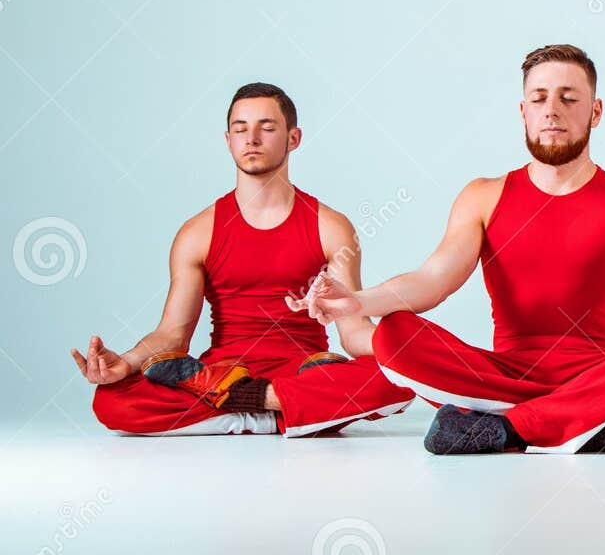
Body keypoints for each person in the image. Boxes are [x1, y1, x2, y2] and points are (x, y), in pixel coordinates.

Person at [296, 44, 605, 455]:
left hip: (602, 376)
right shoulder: (483, 195)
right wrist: (358, 301)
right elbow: (433, 279)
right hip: (506, 376)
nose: (552, 110)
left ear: (595, 111)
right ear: (523, 111)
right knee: (392, 334)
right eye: (539, 98)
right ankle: (592, 427)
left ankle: (507, 429)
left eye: (569, 98)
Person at [74, 82, 414, 436]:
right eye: (240, 129)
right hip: (221, 372)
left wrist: (401, 352)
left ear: (293, 138)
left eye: (267, 128)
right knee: (112, 400)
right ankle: (285, 412)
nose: (251, 138)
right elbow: (172, 336)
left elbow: (353, 330)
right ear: (228, 140)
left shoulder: (331, 227)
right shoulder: (197, 232)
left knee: (397, 380)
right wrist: (126, 362)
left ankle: (242, 406)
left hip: (304, 370)